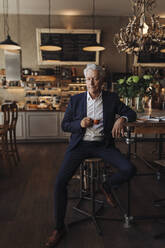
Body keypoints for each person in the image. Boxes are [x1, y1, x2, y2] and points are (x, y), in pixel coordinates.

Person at [45, 64, 137, 247]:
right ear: (85, 80)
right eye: (88, 79)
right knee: (59, 183)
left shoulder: (111, 98)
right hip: (80, 146)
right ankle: (59, 228)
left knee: (129, 169)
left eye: (95, 78)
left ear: (102, 80)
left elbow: (131, 113)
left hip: (103, 145)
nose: (92, 82)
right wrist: (79, 124)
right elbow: (65, 125)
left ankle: (107, 185)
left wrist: (122, 118)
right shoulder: (76, 100)